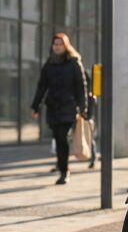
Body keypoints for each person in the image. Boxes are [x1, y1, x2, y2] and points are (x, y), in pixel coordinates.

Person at [31, 33, 88, 185]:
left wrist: (83, 107)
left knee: (62, 137)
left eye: (60, 44)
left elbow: (81, 87)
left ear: (66, 46)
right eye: (55, 44)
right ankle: (63, 168)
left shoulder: (74, 63)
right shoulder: (49, 64)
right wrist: (35, 106)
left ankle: (64, 171)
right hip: (53, 107)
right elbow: (41, 86)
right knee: (58, 138)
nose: (57, 46)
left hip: (68, 107)